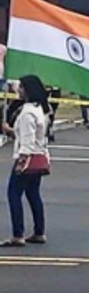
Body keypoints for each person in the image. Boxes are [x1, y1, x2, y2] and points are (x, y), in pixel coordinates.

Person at [0, 75, 50, 247]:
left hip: (28, 157)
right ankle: (39, 231)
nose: (18, 90)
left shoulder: (27, 112)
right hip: (39, 156)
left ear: (28, 90)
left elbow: (27, 141)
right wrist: (10, 131)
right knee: (33, 193)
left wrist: (22, 162)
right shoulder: (40, 109)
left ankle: (18, 234)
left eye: (21, 87)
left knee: (14, 194)